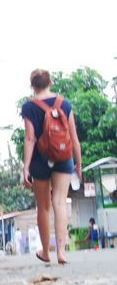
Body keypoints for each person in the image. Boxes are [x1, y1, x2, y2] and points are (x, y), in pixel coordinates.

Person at [21, 69, 82, 265]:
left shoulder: (29, 107)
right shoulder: (64, 103)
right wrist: (78, 163)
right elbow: (73, 137)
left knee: (43, 207)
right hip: (64, 156)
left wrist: (26, 166)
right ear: (50, 82)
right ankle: (62, 252)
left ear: (32, 85)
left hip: (40, 159)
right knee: (60, 202)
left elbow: (30, 138)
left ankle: (46, 251)